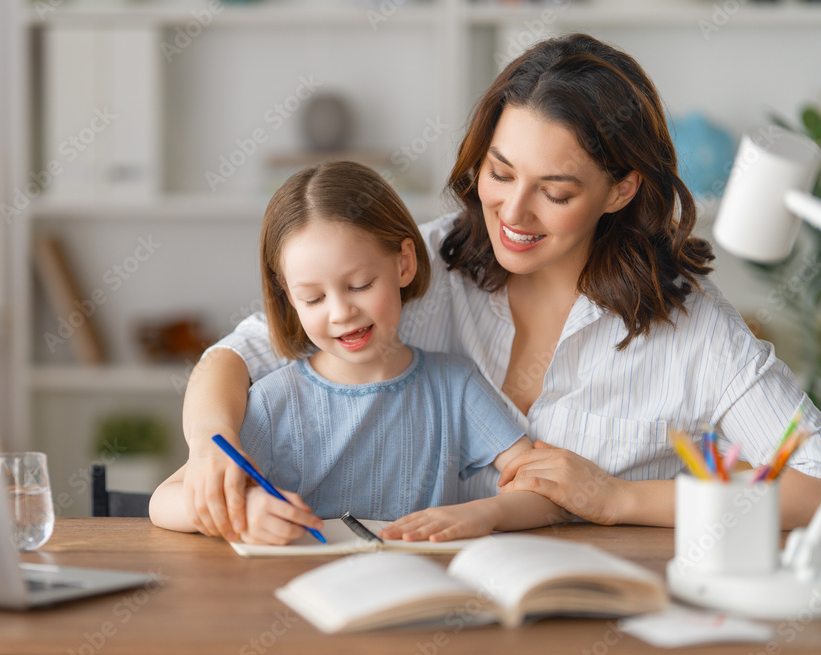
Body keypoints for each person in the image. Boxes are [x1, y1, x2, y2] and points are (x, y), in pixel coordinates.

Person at [182, 34, 821, 542]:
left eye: (556, 191)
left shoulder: (689, 326)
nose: (513, 212)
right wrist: (213, 450)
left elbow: (811, 480)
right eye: (500, 171)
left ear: (620, 189)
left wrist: (617, 498)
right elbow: (237, 357)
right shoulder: (418, 265)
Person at [149, 161, 566, 544]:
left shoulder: (455, 386)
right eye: (313, 298)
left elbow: (543, 492)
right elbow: (163, 501)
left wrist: (485, 513)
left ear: (403, 264)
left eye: (360, 285)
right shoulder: (274, 401)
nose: (341, 313)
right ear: (289, 299)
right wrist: (242, 510)